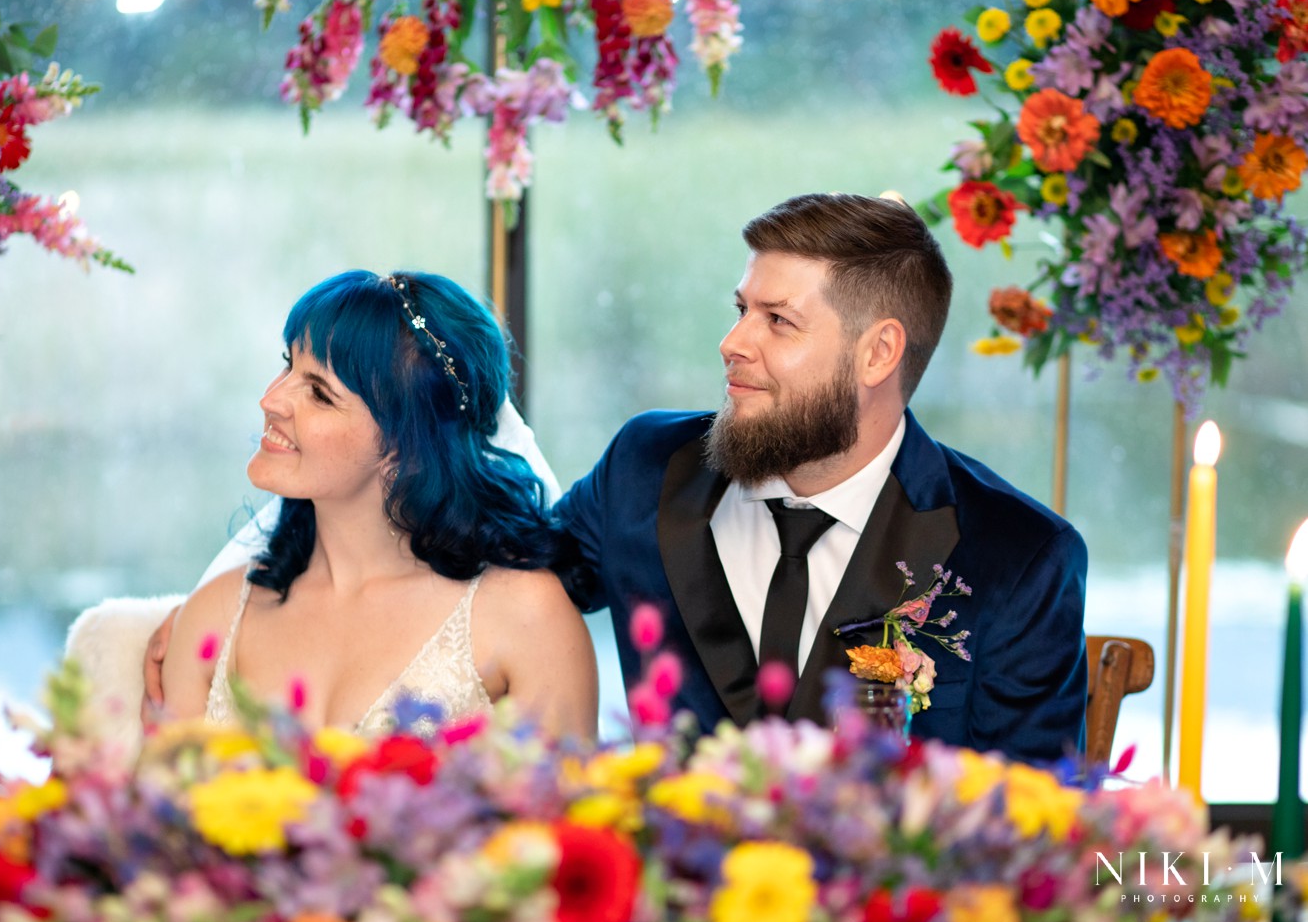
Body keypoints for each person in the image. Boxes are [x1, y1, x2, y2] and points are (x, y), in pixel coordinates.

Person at [555, 192, 1086, 763]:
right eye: (742, 311)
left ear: (878, 354)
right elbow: (505, 571)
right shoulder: (646, 468)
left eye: (778, 321)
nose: (731, 344)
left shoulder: (1018, 557)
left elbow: (1032, 823)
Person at [157, 270, 597, 739]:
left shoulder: (525, 616)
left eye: (319, 393)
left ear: (405, 448)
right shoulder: (216, 615)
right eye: (288, 365)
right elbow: (148, 810)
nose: (270, 399)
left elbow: (575, 808)